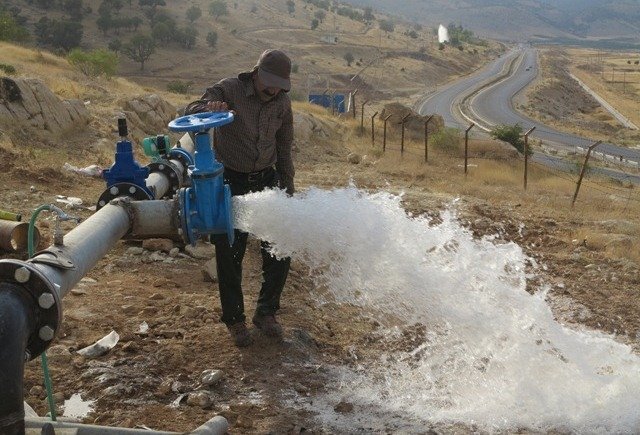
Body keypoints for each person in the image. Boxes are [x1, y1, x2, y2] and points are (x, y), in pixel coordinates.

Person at [185, 49, 295, 347]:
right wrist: (209, 107)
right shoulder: (230, 89)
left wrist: (288, 187)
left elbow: (284, 149)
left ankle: (266, 312)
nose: (273, 90)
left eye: (279, 85)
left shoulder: (282, 104)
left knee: (280, 248)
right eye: (270, 82)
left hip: (267, 181)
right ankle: (235, 321)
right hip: (230, 183)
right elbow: (191, 109)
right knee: (230, 253)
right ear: (257, 72)